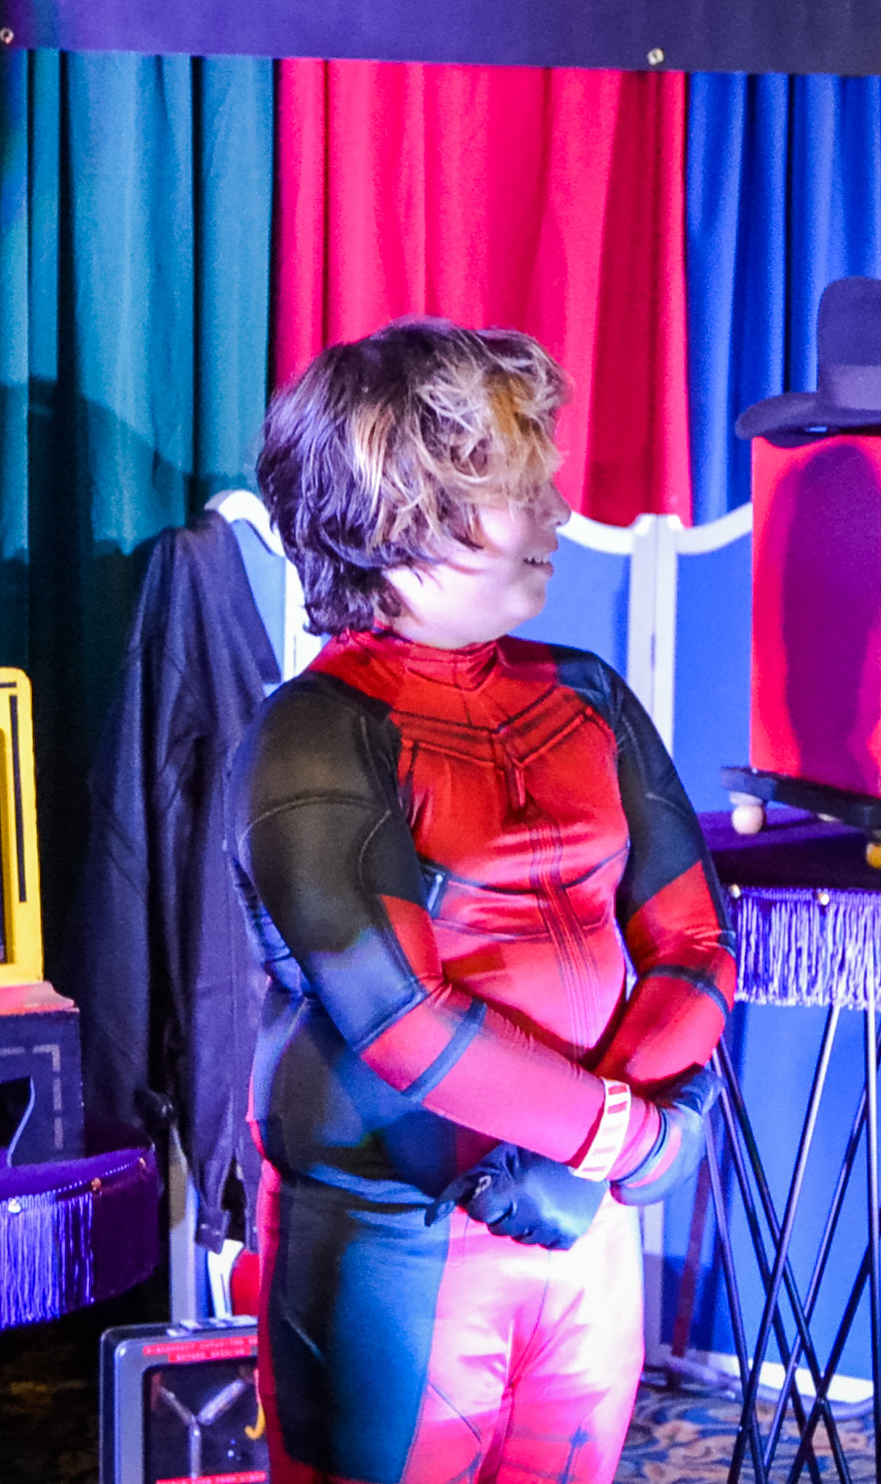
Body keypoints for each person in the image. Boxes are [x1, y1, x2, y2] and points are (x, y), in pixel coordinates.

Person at [234, 319, 735, 1484]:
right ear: (406, 507)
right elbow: (398, 1018)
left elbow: (698, 939)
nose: (555, 511)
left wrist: (618, 1141)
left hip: (579, 1230)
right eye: (520, 485)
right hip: (391, 1236)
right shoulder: (312, 730)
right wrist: (626, 1134)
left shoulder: (585, 694)